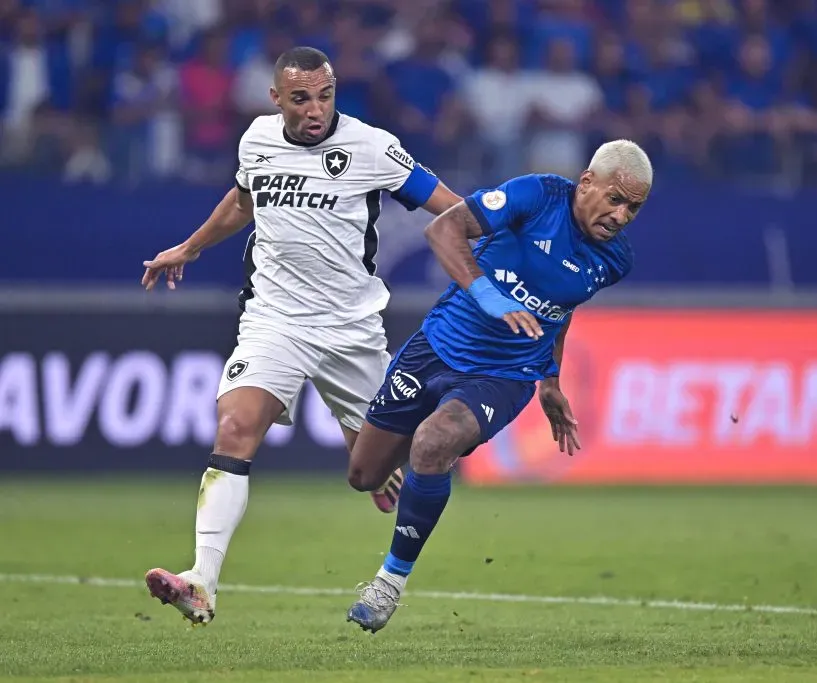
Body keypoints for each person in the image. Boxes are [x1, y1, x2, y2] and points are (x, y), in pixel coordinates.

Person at [139, 47, 462, 625]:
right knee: (236, 427)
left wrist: (490, 270)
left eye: (324, 95)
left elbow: (450, 208)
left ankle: (392, 558)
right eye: (300, 98)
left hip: (352, 331)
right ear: (275, 99)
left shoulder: (371, 146)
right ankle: (201, 581)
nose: (315, 109)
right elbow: (244, 202)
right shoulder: (257, 139)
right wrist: (189, 247)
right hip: (275, 319)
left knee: (374, 471)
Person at [343, 139, 653, 633]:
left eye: (634, 207)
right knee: (362, 473)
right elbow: (443, 228)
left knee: (432, 442)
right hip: (435, 349)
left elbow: (559, 310)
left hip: (503, 377)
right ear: (587, 182)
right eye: (616, 199)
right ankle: (413, 471)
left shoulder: (614, 260)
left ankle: (388, 584)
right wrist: (489, 297)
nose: (622, 215)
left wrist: (550, 381)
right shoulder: (536, 196)